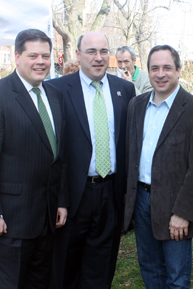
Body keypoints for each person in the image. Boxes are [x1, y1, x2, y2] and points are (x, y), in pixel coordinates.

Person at [0, 28, 68, 289]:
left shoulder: (54, 95)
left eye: (45, 56)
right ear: (16, 56)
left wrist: (61, 201)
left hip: (46, 220)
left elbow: (58, 156)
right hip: (9, 223)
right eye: (32, 55)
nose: (40, 62)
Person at [48, 32, 135, 289]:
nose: (99, 58)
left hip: (111, 191)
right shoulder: (57, 89)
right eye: (91, 52)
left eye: (104, 51)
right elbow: (56, 151)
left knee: (102, 264)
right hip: (75, 195)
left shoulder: (125, 89)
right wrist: (60, 198)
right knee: (66, 265)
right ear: (78, 54)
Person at [123, 44, 193, 289]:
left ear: (179, 70)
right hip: (141, 200)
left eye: (167, 67)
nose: (160, 74)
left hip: (175, 205)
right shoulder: (136, 105)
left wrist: (183, 213)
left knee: (176, 277)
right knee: (150, 268)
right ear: (148, 71)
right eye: (154, 68)